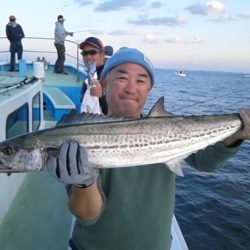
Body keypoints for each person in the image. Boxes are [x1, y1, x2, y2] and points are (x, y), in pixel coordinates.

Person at [47, 47, 250, 250]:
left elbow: (205, 162)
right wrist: (84, 183)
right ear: (103, 84)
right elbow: (87, 215)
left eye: (141, 80)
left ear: (148, 89)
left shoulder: (170, 127)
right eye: (122, 78)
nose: (131, 88)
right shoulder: (78, 135)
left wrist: (235, 134)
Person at [79, 37, 109, 115]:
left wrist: (102, 96)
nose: (88, 57)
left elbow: (115, 111)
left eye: (92, 52)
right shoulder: (91, 74)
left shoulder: (109, 76)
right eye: (84, 53)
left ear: (102, 55)